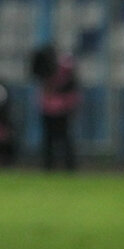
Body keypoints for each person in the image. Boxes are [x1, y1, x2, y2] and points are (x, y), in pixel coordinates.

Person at [30, 43, 80, 171]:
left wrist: (67, 103)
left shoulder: (65, 66)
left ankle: (70, 166)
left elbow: (72, 85)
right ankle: (49, 166)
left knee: (64, 138)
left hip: (63, 106)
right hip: (48, 106)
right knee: (49, 138)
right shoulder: (44, 66)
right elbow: (37, 77)